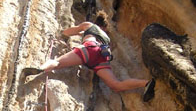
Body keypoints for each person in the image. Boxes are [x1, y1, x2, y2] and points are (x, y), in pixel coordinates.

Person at [27, 11, 155, 101]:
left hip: (89, 49)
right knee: (116, 84)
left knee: (57, 62)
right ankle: (146, 83)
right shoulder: (106, 37)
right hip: (102, 58)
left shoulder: (89, 25)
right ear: (104, 27)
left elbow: (68, 32)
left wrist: (62, 32)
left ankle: (41, 69)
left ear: (96, 22)